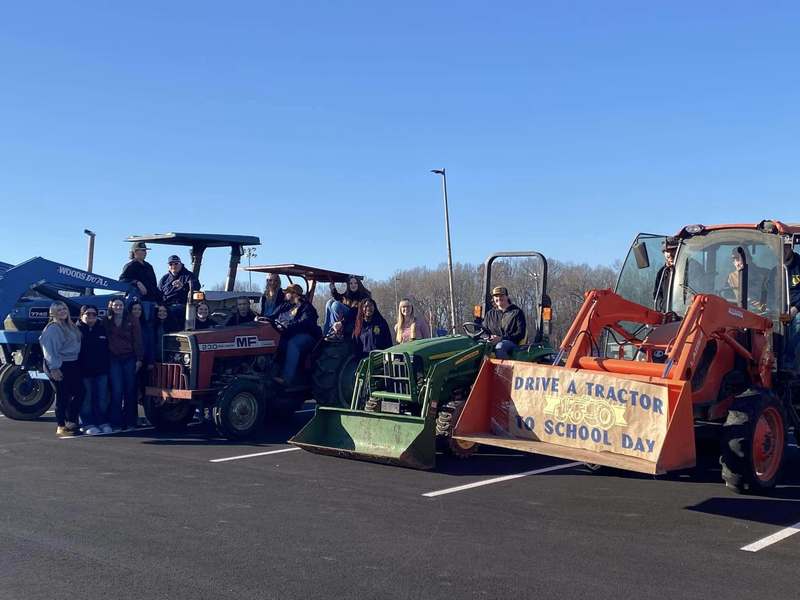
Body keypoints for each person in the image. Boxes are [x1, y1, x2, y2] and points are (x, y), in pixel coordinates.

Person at [39, 301, 83, 435]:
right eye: (58, 310)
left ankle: (71, 421)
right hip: (59, 364)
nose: (63, 311)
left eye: (64, 308)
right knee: (63, 395)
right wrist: (54, 368)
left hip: (73, 363)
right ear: (53, 313)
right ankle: (61, 425)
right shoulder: (53, 328)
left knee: (80, 392)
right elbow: (49, 350)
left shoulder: (70, 326)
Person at [271, 284, 322, 385]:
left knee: (293, 344)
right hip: (286, 334)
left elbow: (304, 323)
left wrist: (287, 327)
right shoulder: (284, 306)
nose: (285, 294)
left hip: (306, 336)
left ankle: (286, 379)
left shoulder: (307, 307)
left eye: (288, 292)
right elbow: (272, 316)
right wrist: (262, 319)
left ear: (295, 294)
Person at [106, 298, 143, 430]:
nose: (118, 307)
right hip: (113, 359)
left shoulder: (132, 319)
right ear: (111, 306)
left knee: (130, 390)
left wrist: (139, 359)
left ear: (124, 306)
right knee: (117, 391)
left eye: (120, 305)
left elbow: (137, 340)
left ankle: (130, 421)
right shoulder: (106, 321)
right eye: (115, 305)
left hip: (129, 358)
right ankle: (116, 422)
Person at [77, 305, 111, 435]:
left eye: (94, 314)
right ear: (81, 315)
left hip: (101, 370)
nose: (91, 316)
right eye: (88, 314)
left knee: (102, 398)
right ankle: (87, 423)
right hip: (84, 371)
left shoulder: (102, 329)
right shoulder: (76, 330)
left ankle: (101, 421)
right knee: (87, 399)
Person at [159, 255, 201, 330]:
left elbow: (196, 287)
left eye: (176, 263)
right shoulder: (164, 279)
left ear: (181, 264)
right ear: (168, 266)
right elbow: (158, 293)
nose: (173, 266)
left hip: (182, 304)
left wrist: (183, 286)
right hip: (165, 305)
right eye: (171, 264)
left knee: (172, 312)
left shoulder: (188, 276)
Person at [484, 286, 527, 359]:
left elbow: (520, 334)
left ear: (507, 297)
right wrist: (488, 337)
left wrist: (501, 338)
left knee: (500, 347)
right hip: (491, 342)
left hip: (511, 343)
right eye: (496, 296)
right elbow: (483, 330)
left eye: (501, 296)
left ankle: (503, 366)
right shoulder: (490, 314)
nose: (498, 298)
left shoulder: (517, 312)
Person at [783, 244, 800, 368]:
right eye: (780, 246)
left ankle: (790, 362)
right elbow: (769, 292)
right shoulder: (775, 269)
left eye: (786, 247)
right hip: (782, 308)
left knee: (798, 323)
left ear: (791, 246)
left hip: (797, 308)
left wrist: (796, 308)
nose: (783, 250)